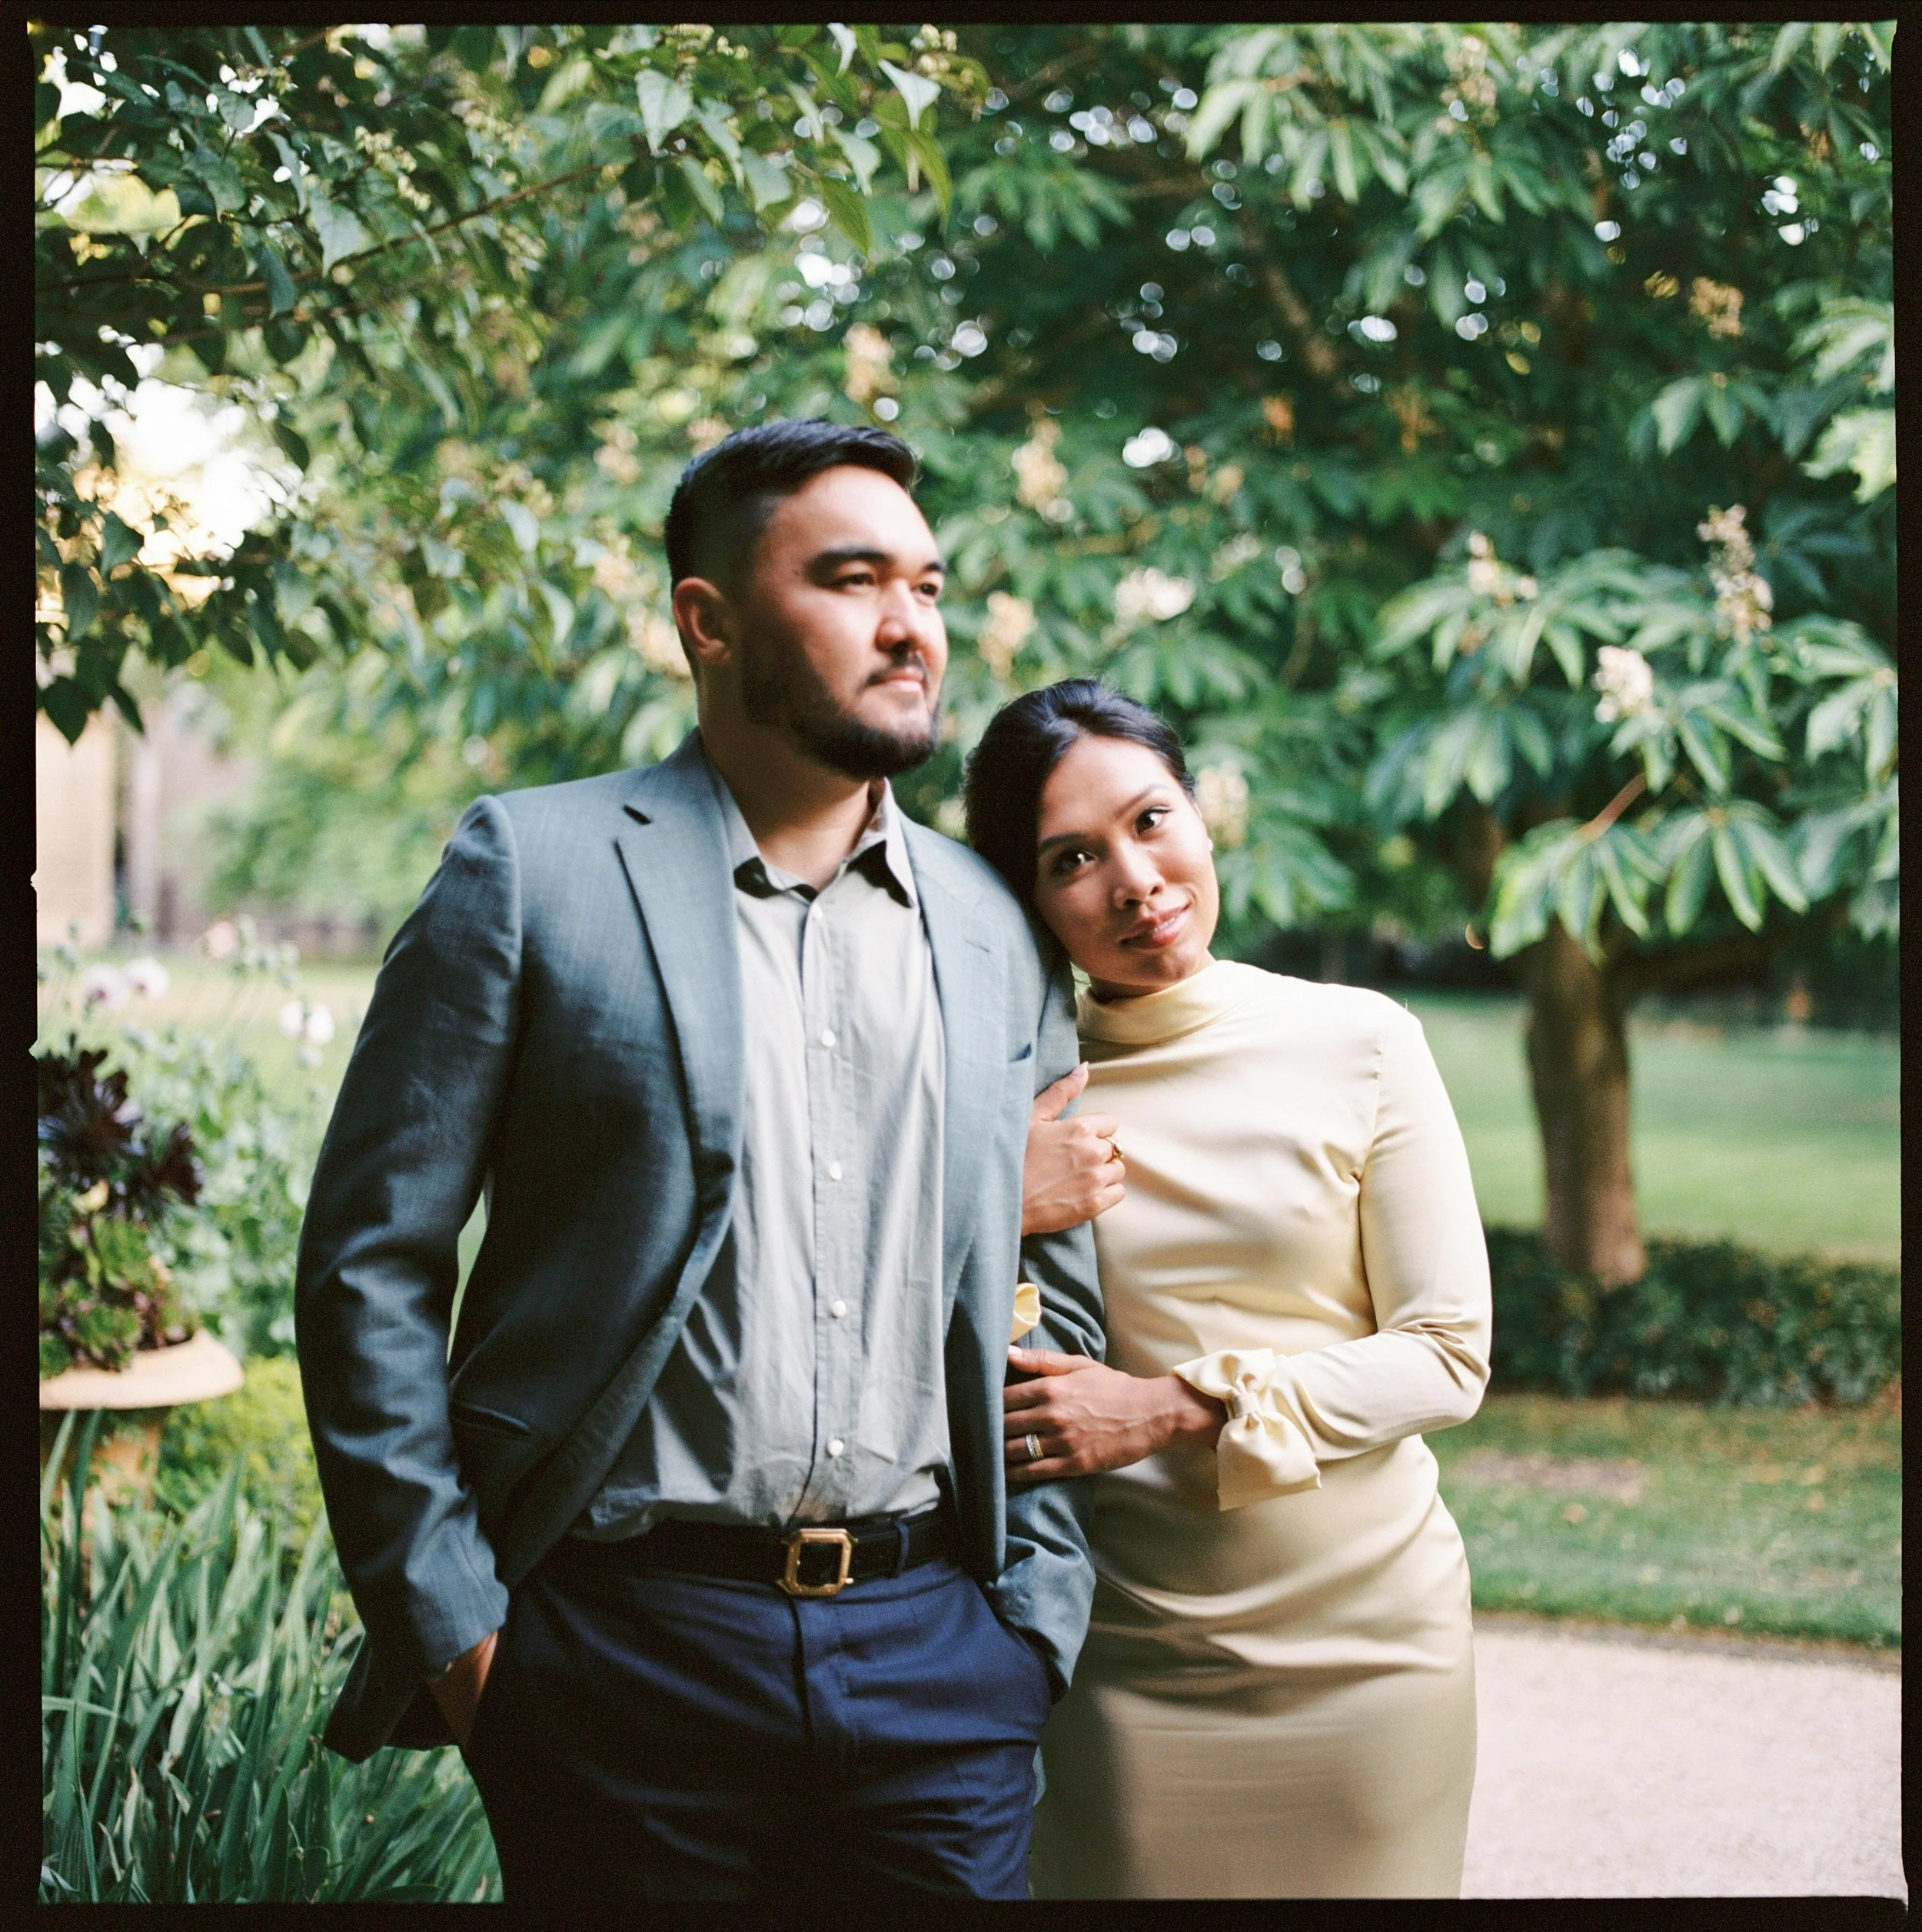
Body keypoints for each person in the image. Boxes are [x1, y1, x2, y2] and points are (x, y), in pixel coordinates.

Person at [294, 421, 1106, 1904]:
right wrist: (466, 1638)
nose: (908, 624)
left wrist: (1033, 1612)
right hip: (621, 1656)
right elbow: (369, 1267)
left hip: (943, 1659)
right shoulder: (531, 872)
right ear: (707, 621)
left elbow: (1053, 1283)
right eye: (853, 580)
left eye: (926, 584)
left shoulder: (993, 923)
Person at [969, 678, 1492, 1899]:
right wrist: (994, 1188)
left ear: (1201, 816)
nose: (1135, 882)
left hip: (1372, 1662)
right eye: (1071, 858)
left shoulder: (1362, 1040)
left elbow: (1447, 1355)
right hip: (1119, 1670)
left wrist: (1161, 1408)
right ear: (1028, 898)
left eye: (1152, 821)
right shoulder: (1008, 1096)